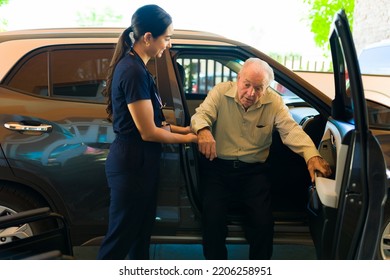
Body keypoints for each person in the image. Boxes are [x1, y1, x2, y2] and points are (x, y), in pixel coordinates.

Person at [190, 58, 331, 260]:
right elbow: (201, 115)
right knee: (212, 221)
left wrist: (312, 155)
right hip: (218, 170)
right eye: (247, 85)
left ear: (267, 88)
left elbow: (290, 130)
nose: (251, 93)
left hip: (253, 173)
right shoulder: (220, 92)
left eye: (258, 88)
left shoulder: (274, 102)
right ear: (238, 79)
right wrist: (203, 130)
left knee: (263, 224)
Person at [97, 5, 197, 260]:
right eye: (166, 38)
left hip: (139, 162)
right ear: (148, 37)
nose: (169, 44)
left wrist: (183, 128)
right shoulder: (132, 71)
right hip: (132, 163)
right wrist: (188, 139)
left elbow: (155, 121)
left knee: (139, 236)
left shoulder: (138, 67)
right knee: (120, 239)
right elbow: (148, 132)